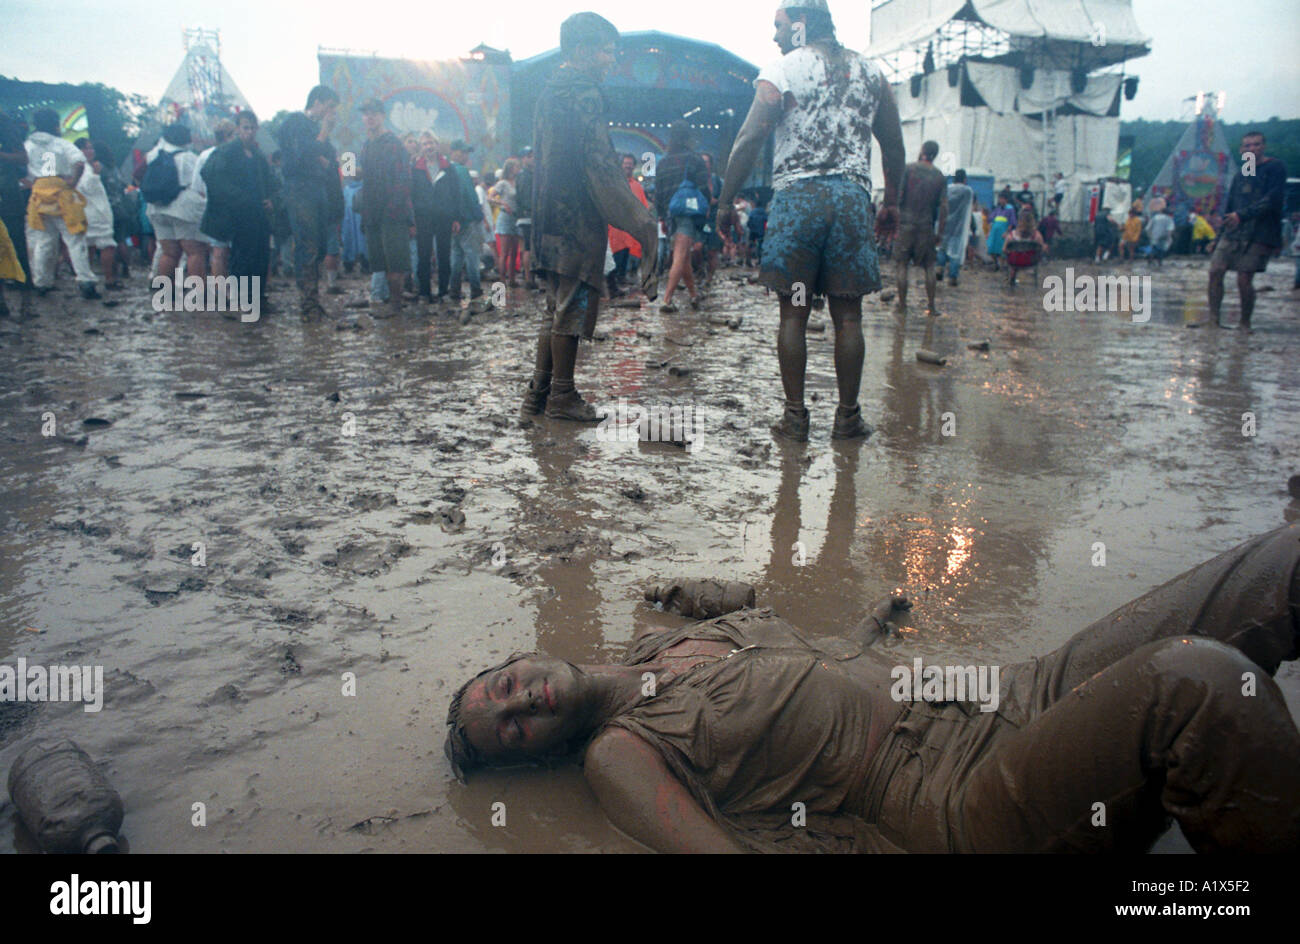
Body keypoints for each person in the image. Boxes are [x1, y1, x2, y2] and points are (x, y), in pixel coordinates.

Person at [445, 524, 1300, 854]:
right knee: (1199, 685)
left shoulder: (661, 641)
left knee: (1278, 564)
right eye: (510, 729)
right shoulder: (618, 755)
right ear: (535, 754)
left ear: (516, 658)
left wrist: (866, 627)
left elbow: (802, 656)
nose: (524, 703)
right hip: (954, 795)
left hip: (1008, 692)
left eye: (505, 688)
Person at [716, 0, 904, 444]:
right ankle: (847, 418)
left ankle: (796, 418)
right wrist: (891, 201)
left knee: (794, 315)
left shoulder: (782, 70)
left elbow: (750, 137)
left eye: (779, 26)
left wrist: (725, 201)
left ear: (801, 25)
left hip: (798, 203)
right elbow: (893, 146)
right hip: (851, 203)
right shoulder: (872, 74)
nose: (774, 35)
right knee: (849, 317)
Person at [521, 12, 659, 421]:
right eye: (605, 51)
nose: (610, 60)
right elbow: (600, 165)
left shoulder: (549, 94)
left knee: (554, 306)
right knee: (570, 305)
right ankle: (563, 395)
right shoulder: (584, 95)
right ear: (581, 51)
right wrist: (641, 221)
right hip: (575, 218)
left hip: (547, 216)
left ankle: (538, 395)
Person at [1208, 131, 1287, 331]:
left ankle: (1244, 323)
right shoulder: (1245, 172)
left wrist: (1242, 215)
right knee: (1216, 270)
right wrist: (1217, 238)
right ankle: (1213, 320)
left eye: (1256, 145)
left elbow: (1271, 200)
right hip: (1235, 230)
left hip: (1260, 231)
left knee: (1244, 278)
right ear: (1242, 150)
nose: (1251, 149)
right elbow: (1235, 201)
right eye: (1247, 146)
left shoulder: (1275, 168)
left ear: (1263, 146)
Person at [277, 85, 341, 319]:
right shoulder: (295, 122)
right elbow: (299, 156)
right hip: (300, 190)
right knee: (307, 244)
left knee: (320, 245)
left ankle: (313, 300)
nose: (331, 113)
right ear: (317, 102)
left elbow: (332, 160)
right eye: (330, 107)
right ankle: (308, 303)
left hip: (318, 190)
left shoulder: (316, 129)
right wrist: (323, 133)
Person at [199, 110, 274, 307]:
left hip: (257, 214)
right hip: (239, 215)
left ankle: (257, 297)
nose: (249, 132)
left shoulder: (257, 155)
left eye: (252, 128)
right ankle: (243, 299)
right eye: (245, 128)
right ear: (238, 129)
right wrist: (238, 199)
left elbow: (270, 181)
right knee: (242, 257)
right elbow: (211, 175)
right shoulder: (227, 151)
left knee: (260, 255)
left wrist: (271, 199)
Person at [24, 108, 99, 299]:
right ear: (55, 125)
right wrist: (73, 181)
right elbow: (80, 162)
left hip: (38, 195)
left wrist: (34, 183)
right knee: (74, 239)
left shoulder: (26, 145)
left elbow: (22, 173)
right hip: (62, 193)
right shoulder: (61, 144)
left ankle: (41, 282)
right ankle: (85, 280)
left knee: (44, 241)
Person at [358, 99, 413, 318]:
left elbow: (404, 179)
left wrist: (394, 208)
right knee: (381, 261)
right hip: (373, 211)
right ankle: (391, 302)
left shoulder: (394, 144)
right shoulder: (366, 145)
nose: (369, 117)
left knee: (395, 261)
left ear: (382, 116)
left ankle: (396, 306)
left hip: (392, 211)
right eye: (366, 114)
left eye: (373, 113)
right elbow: (361, 176)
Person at [653, 120, 709, 313]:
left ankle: (694, 295)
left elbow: (658, 193)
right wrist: (707, 209)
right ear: (688, 137)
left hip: (669, 214)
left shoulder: (662, 162)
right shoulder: (694, 160)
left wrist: (661, 216)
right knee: (680, 256)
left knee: (683, 257)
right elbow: (703, 188)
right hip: (687, 214)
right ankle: (667, 300)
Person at [144, 123, 208, 283]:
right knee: (195, 251)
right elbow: (201, 184)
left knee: (169, 253)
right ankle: (198, 293)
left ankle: (164, 291)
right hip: (183, 208)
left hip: (156, 208)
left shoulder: (153, 156)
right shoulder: (189, 158)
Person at [893, 141, 946, 316]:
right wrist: (940, 232)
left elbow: (899, 196)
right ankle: (931, 306)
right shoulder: (939, 176)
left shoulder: (909, 169)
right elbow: (944, 207)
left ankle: (902, 305)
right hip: (926, 225)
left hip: (906, 223)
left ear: (922, 150)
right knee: (929, 266)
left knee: (902, 265)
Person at [446, 139, 487, 317]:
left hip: (451, 220)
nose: (465, 156)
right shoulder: (461, 171)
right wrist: (478, 215)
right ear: (453, 151)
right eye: (462, 152)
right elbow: (469, 195)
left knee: (456, 255)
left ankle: (454, 289)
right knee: (472, 254)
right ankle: (476, 290)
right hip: (467, 219)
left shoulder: (445, 168)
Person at [73, 138, 118, 290]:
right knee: (106, 245)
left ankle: (88, 278)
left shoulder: (82, 166)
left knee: (89, 246)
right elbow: (87, 187)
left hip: (86, 211)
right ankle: (109, 279)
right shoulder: (85, 168)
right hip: (96, 211)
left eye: (91, 148)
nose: (90, 151)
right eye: (86, 148)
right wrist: (96, 174)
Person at [0, 111, 33, 314]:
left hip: (7, 194)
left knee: (15, 242)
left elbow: (23, 158)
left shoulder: (3, 121)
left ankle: (24, 296)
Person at [195, 119, 236, 278]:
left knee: (218, 251)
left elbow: (198, 188)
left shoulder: (204, 156)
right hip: (231, 208)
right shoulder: (235, 154)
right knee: (230, 250)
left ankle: (221, 290)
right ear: (228, 135)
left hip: (213, 207)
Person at [608, 153, 649, 291]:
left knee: (628, 264)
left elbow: (643, 208)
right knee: (614, 262)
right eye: (625, 163)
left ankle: (623, 283)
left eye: (630, 164)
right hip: (615, 232)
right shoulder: (613, 184)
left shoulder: (637, 186)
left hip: (632, 234)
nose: (628, 166)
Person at [410, 132, 438, 301]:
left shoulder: (445, 166)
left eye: (431, 143)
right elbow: (412, 194)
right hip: (422, 217)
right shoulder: (416, 169)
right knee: (423, 255)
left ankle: (444, 291)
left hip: (441, 216)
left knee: (443, 254)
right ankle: (424, 291)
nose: (429, 147)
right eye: (425, 144)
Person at [934, 169, 972, 287]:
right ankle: (952, 277)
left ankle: (939, 268)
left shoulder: (947, 189)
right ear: (964, 179)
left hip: (944, 224)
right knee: (955, 252)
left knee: (942, 248)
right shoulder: (967, 191)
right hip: (958, 227)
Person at [490, 157, 523, 286]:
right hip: (505, 216)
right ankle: (502, 279)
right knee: (504, 251)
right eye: (516, 167)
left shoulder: (518, 182)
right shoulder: (502, 183)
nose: (518, 169)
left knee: (515, 250)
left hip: (516, 217)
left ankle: (512, 279)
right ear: (510, 168)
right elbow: (490, 197)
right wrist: (502, 202)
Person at [515, 146, 537, 289]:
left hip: (528, 215)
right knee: (529, 247)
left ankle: (530, 277)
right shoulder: (524, 176)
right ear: (523, 159)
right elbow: (525, 197)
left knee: (529, 247)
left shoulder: (529, 174)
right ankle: (529, 279)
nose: (533, 159)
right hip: (528, 216)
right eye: (529, 156)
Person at [985, 201, 1011, 269]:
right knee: (991, 248)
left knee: (1002, 250)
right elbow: (991, 222)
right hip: (994, 234)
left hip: (1002, 234)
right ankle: (996, 263)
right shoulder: (996, 212)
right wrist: (989, 233)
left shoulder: (1009, 211)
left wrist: (1006, 232)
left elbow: (1011, 224)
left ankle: (1001, 265)